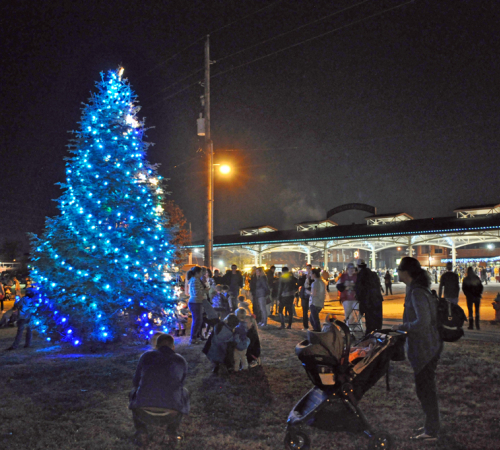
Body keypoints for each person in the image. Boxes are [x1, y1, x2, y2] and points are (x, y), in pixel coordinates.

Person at [392, 257, 443, 442]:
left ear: (407, 272)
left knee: (425, 390)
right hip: (426, 345)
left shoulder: (417, 293)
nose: (397, 272)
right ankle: (431, 425)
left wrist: (402, 326)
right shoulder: (415, 290)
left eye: (399, 269)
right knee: (425, 388)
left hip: (425, 347)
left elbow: (423, 322)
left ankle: (432, 431)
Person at [129, 333, 189, 446]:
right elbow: (181, 384)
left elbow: (135, 382)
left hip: (143, 410)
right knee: (184, 392)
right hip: (171, 413)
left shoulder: (145, 356)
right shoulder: (181, 360)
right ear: (173, 347)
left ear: (156, 346)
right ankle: (172, 433)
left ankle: (141, 431)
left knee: (133, 392)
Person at [355, 260, 384, 334]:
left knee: (370, 321)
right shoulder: (373, 274)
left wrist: (359, 299)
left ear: (358, 266)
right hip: (377, 300)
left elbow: (359, 289)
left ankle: (370, 336)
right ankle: (377, 334)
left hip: (368, 301)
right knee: (377, 320)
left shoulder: (360, 275)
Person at [187, 266, 208, 345]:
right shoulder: (195, 280)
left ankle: (194, 337)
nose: (201, 274)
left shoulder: (194, 280)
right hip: (195, 302)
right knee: (197, 321)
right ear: (197, 273)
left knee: (198, 320)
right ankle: (193, 338)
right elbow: (197, 293)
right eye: (200, 272)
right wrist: (204, 291)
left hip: (196, 302)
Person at [336, 262, 358, 327]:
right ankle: (348, 326)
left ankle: (353, 325)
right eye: (350, 269)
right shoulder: (343, 276)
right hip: (346, 298)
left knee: (356, 312)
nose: (352, 270)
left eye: (353, 268)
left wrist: (353, 285)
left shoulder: (357, 276)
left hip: (355, 298)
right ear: (347, 269)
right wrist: (344, 285)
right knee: (348, 313)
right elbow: (338, 286)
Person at [298, 264, 313, 330]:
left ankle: (314, 324)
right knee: (304, 311)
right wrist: (302, 277)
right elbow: (299, 283)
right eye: (307, 268)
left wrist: (309, 279)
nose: (308, 270)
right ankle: (305, 326)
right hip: (304, 296)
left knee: (312, 311)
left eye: (309, 268)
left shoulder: (313, 277)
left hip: (311, 295)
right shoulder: (304, 276)